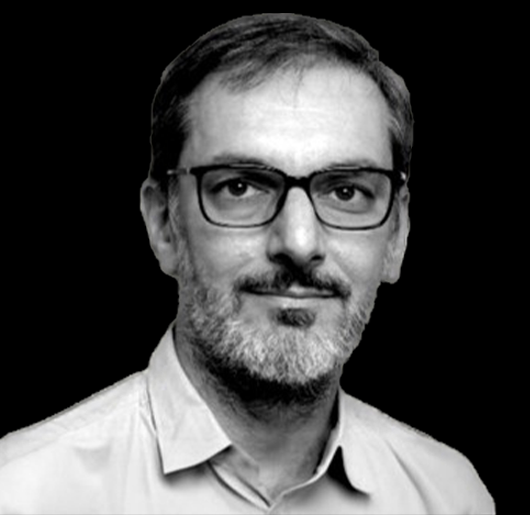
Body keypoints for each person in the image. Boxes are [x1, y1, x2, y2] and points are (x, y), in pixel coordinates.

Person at [0, 13, 494, 514]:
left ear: (397, 235)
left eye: (346, 191)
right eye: (240, 187)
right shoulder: (19, 494)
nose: (298, 243)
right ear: (164, 223)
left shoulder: (451, 498)